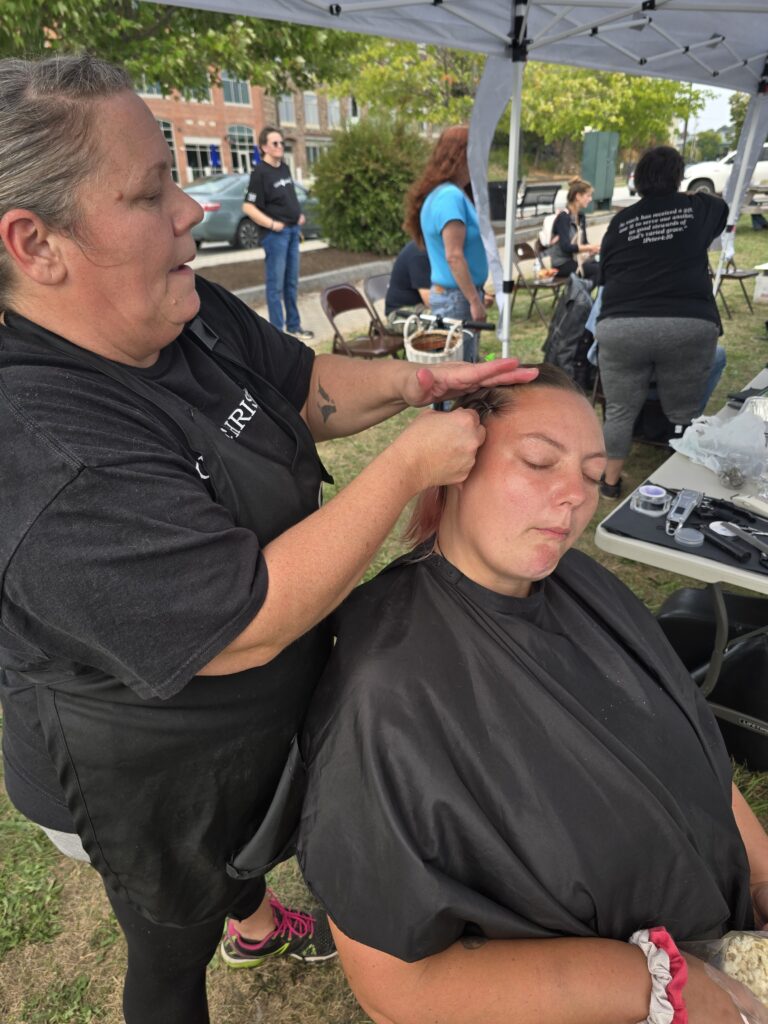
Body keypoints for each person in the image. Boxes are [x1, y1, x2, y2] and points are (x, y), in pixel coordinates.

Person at [0, 55, 538, 1024]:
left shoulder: (175, 304)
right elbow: (242, 620)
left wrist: (420, 386)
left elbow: (303, 388)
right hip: (140, 764)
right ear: (36, 243)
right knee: (172, 940)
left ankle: (249, 909)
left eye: (174, 175)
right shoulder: (42, 447)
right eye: (147, 191)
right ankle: (218, 928)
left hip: (251, 720)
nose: (187, 212)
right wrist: (410, 465)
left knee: (242, 861)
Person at [298, 366, 768, 1024]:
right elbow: (395, 986)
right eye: (540, 461)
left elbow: (686, 734)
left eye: (590, 471)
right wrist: (645, 983)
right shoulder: (384, 690)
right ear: (453, 465)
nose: (574, 496)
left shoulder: (583, 583)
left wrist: (761, 873)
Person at [596, 145, 727, 498]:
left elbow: (604, 271)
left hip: (622, 325)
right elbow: (721, 205)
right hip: (687, 324)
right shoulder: (697, 208)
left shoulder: (621, 220)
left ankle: (609, 482)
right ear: (679, 177)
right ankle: (676, 479)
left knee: (620, 410)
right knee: (683, 411)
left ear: (636, 179)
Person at [404, 126, 491, 362]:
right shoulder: (449, 196)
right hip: (457, 298)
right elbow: (454, 256)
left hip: (456, 295)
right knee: (461, 372)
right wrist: (474, 299)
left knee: (460, 368)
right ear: (461, 156)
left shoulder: (446, 193)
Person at [242, 125, 313, 341]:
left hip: (293, 232)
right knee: (275, 286)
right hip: (276, 237)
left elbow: (288, 197)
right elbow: (248, 207)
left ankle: (294, 326)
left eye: (281, 143)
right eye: (275, 143)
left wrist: (298, 215)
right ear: (264, 147)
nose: (280, 146)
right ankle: (277, 335)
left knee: (291, 282)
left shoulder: (284, 168)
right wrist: (272, 224)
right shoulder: (259, 173)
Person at [549, 177, 601, 286]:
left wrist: (593, 250)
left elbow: (584, 243)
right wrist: (589, 247)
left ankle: (580, 296)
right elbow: (566, 247)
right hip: (562, 264)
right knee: (599, 270)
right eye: (588, 195)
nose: (590, 199)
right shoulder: (563, 218)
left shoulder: (581, 217)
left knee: (605, 265)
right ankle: (581, 297)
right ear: (578, 196)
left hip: (576, 259)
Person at [384, 239, 431, 331]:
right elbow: (430, 301)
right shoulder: (420, 253)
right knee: (448, 319)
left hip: (417, 308)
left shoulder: (427, 247)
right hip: (400, 315)